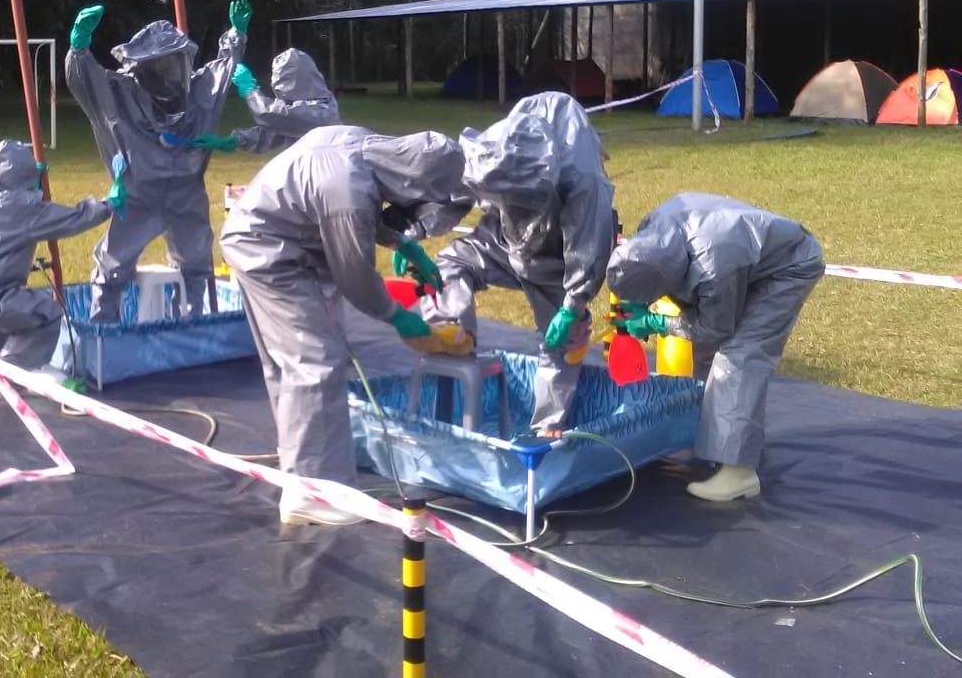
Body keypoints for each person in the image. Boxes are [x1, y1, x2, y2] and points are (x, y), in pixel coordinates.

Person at [219, 125, 472, 526]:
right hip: (272, 253)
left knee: (290, 365)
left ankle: (298, 469)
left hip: (262, 236)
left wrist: (398, 241)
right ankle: (313, 491)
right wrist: (401, 319)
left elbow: (344, 204)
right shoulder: (349, 191)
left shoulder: (365, 145)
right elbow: (354, 275)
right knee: (316, 361)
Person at [607, 193, 825, 502]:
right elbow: (651, 274)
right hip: (745, 256)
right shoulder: (651, 234)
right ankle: (713, 433)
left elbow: (715, 326)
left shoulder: (711, 266)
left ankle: (739, 473)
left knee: (739, 355)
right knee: (706, 349)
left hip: (788, 267)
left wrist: (658, 324)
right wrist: (636, 304)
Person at [420, 92, 616, 432]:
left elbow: (590, 240)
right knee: (449, 266)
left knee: (563, 339)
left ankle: (547, 429)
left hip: (557, 256)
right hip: (504, 238)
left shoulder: (583, 181)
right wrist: (412, 231)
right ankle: (455, 338)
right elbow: (458, 185)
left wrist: (573, 304)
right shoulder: (496, 153)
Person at [65, 0, 249, 324]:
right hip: (138, 197)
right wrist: (79, 50)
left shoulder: (199, 93)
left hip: (186, 196)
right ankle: (102, 331)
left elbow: (223, 68)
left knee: (195, 262)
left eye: (173, 65)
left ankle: (191, 325)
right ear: (141, 68)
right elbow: (86, 82)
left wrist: (236, 34)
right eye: (159, 66)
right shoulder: (119, 94)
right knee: (113, 263)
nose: (168, 75)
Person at [0, 140, 112, 396]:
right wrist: (108, 204)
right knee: (46, 313)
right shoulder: (24, 209)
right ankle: (11, 377)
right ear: (28, 175)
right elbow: (73, 219)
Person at [187, 48, 340, 153]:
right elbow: (271, 134)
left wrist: (250, 90)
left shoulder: (322, 111)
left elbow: (268, 114)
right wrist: (233, 140)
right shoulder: (305, 112)